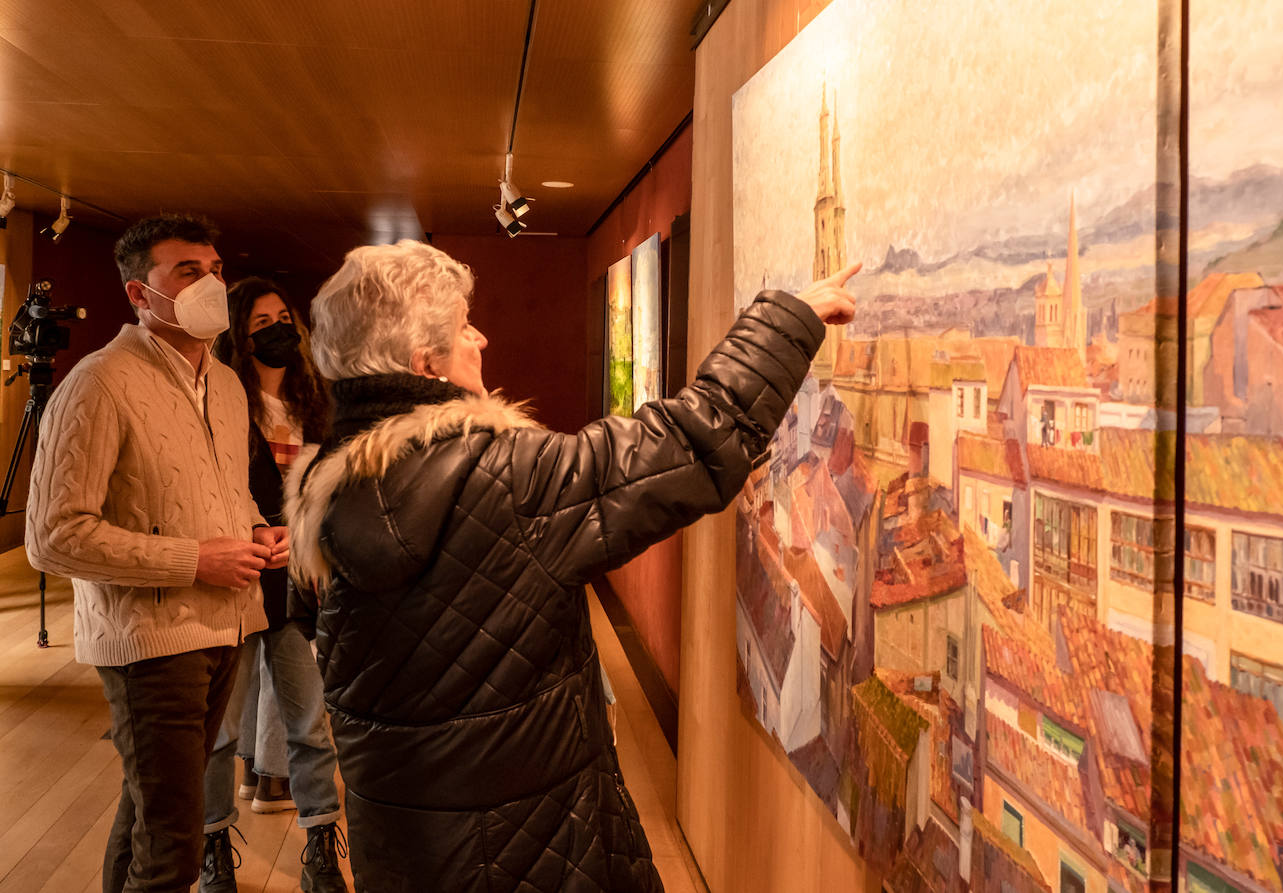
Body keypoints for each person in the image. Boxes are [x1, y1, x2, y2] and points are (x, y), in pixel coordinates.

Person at [284, 239, 859, 892]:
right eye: (463, 327)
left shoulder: (326, 494)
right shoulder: (501, 481)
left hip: (403, 848)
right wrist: (790, 317)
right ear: (427, 363)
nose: (482, 337)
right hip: (532, 841)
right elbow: (689, 443)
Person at [25, 214, 290, 893]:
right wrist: (193, 560)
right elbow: (53, 535)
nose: (212, 284)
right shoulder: (100, 381)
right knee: (175, 837)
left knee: (149, 815)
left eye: (217, 269)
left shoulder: (227, 386)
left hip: (227, 625)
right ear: (139, 294)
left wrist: (259, 529)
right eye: (189, 272)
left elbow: (221, 493)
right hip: (149, 639)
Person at [199, 277, 346, 892]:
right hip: (235, 576)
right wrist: (252, 532)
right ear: (239, 332)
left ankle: (319, 848)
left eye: (283, 318)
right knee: (218, 729)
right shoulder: (221, 399)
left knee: (309, 719)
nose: (276, 330)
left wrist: (309, 535)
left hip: (298, 582)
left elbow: (333, 486)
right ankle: (212, 850)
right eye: (261, 323)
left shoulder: (318, 403)